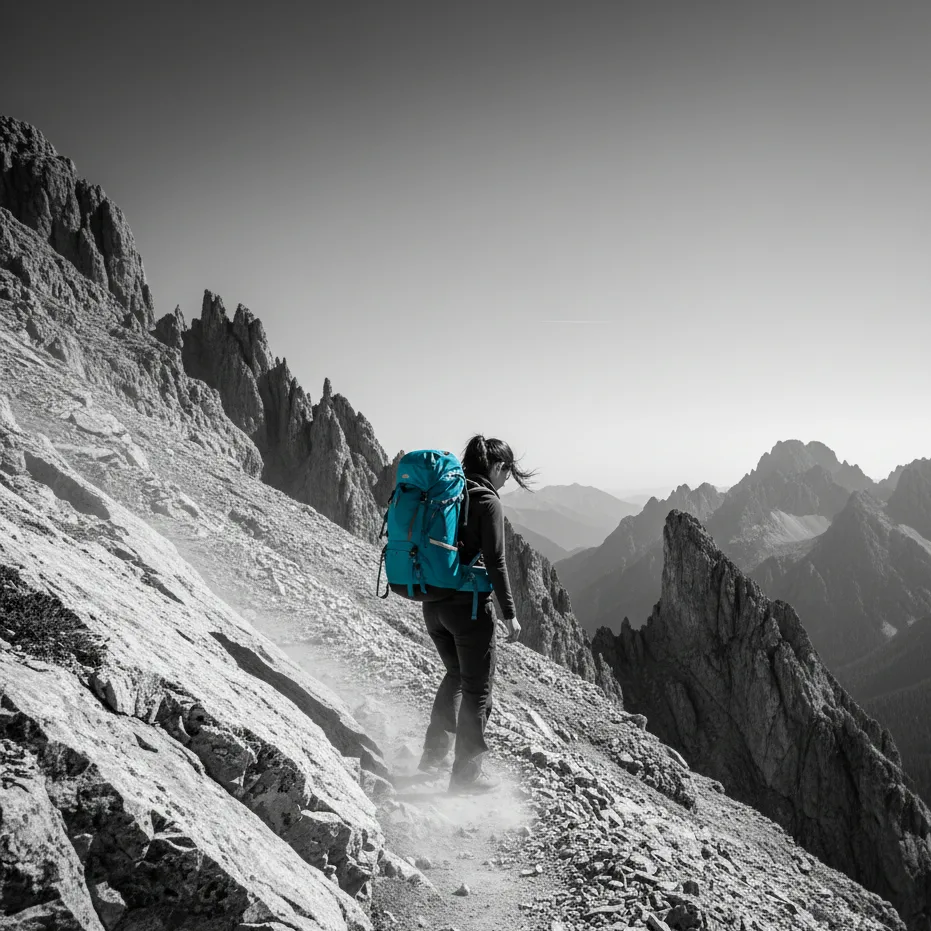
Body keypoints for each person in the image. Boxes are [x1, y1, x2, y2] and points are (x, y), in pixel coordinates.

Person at [418, 434, 537, 794]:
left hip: (432, 604)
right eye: (507, 473)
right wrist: (510, 614)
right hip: (467, 610)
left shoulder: (446, 490)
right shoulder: (487, 500)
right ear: (497, 467)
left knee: (455, 675)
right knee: (478, 691)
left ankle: (431, 760)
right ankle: (466, 777)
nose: (506, 482)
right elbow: (497, 562)